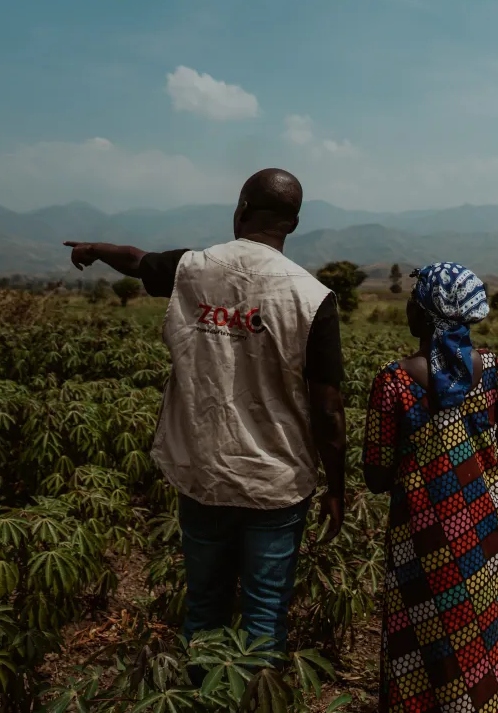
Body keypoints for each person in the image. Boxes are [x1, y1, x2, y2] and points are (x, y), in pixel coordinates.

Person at [64, 168, 347, 661]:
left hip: (204, 470)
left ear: (241, 209)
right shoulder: (312, 297)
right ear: (294, 223)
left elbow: (135, 260)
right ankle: (255, 697)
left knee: (204, 608)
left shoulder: (192, 269)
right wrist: (338, 486)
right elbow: (328, 409)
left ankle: (201, 693)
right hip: (276, 481)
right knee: (265, 613)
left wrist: (93, 248)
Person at [362, 263, 498, 713]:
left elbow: (376, 475)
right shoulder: (490, 370)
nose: (407, 308)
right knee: (486, 631)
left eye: (412, 300)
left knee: (426, 638)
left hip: (423, 539)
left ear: (424, 313)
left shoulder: (395, 381)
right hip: (486, 531)